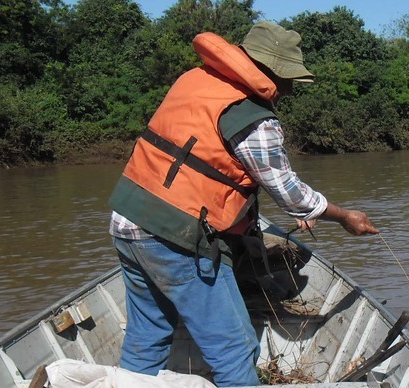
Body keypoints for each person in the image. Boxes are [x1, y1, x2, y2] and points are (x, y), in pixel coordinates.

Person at [107, 21, 379, 387]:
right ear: (269, 70)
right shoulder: (252, 118)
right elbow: (290, 195)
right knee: (235, 350)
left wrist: (242, 232)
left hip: (127, 221)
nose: (286, 92)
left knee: (148, 333)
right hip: (174, 238)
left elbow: (209, 170)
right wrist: (344, 216)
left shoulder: (195, 81)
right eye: (287, 81)